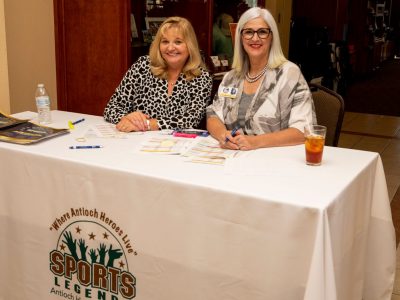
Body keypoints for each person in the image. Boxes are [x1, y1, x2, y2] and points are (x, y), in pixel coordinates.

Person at [206, 7, 316, 150]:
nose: (255, 38)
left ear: (272, 37)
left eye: (262, 32)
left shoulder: (289, 74)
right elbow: (213, 115)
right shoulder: (231, 77)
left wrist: (254, 142)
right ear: (240, 37)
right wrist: (223, 135)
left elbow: (303, 131)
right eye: (248, 32)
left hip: (274, 161)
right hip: (234, 158)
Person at [104, 17, 212, 132]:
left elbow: (190, 119)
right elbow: (111, 108)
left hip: (177, 144)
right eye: (165, 41)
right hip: (136, 141)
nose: (170, 48)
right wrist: (128, 118)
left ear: (190, 45)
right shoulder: (143, 66)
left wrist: (148, 124)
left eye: (178, 42)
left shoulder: (201, 76)